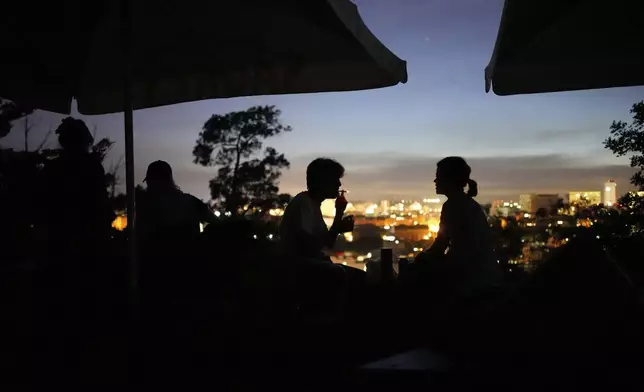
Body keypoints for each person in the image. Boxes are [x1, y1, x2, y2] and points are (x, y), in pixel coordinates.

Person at [416, 157, 502, 308]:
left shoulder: (452, 206)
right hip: (482, 273)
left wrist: (422, 258)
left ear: (449, 179)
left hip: (469, 277)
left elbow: (440, 245)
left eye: (438, 176)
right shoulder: (469, 204)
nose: (435, 181)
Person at [278, 158, 356, 318]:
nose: (339, 185)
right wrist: (338, 227)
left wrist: (339, 214)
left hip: (310, 264)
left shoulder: (313, 204)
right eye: (335, 179)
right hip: (300, 268)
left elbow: (328, 243)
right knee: (344, 276)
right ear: (322, 181)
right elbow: (310, 247)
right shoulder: (303, 204)